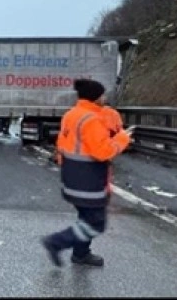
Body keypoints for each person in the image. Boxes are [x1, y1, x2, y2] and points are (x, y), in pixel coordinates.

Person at [41, 79, 131, 268]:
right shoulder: (92, 120)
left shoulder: (71, 115)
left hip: (72, 176)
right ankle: (56, 242)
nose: (105, 98)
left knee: (85, 218)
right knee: (96, 223)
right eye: (102, 95)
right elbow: (102, 152)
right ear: (96, 97)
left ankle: (81, 254)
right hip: (88, 180)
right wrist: (123, 138)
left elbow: (63, 145)